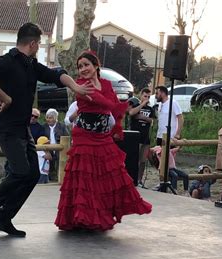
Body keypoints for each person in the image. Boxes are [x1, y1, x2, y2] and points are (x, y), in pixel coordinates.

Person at [0, 22, 94, 237]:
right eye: (39, 43)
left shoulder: (31, 65)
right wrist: (5, 98)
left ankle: (4, 217)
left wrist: (75, 87)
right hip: (8, 129)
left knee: (31, 174)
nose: (39, 47)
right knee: (21, 171)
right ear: (32, 43)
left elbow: (56, 74)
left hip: (23, 130)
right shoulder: (7, 61)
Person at [54, 51, 152, 231]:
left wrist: (117, 125)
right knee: (85, 179)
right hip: (84, 137)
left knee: (109, 176)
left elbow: (115, 110)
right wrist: (117, 106)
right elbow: (104, 102)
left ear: (96, 65)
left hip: (102, 137)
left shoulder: (106, 84)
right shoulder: (82, 85)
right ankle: (82, 217)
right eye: (80, 66)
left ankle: (102, 214)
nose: (83, 69)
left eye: (86, 65)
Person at [128, 88, 155, 185]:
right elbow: (131, 113)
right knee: (134, 159)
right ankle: (132, 178)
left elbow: (151, 120)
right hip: (135, 136)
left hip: (145, 137)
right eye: (145, 96)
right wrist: (142, 104)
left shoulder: (151, 109)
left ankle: (139, 179)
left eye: (148, 97)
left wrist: (142, 117)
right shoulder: (135, 105)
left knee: (143, 160)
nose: (147, 98)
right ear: (141, 95)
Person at [43, 108, 69, 180]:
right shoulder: (44, 127)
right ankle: (50, 176)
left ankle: (61, 176)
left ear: (55, 118)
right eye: (47, 118)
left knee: (60, 157)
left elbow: (67, 137)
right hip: (48, 148)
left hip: (60, 148)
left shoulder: (62, 126)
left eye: (50, 118)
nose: (48, 119)